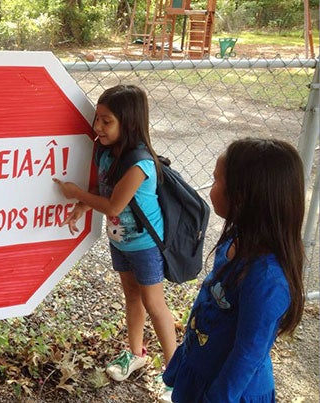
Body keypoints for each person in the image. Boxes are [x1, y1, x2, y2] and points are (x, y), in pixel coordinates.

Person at [162, 137, 305, 402]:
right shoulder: (234, 242)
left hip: (229, 392)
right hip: (202, 373)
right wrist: (181, 363)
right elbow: (207, 307)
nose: (211, 187)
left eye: (216, 180)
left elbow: (247, 355)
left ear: (241, 198)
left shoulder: (267, 280)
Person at [53, 84, 177, 383]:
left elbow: (113, 203)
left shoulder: (140, 162)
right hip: (120, 241)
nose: (98, 126)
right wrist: (83, 204)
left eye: (106, 121)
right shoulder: (107, 153)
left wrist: (75, 193)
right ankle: (135, 353)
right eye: (97, 118)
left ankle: (176, 370)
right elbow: (105, 189)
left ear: (129, 122)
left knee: (154, 304)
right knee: (132, 297)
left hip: (145, 245)